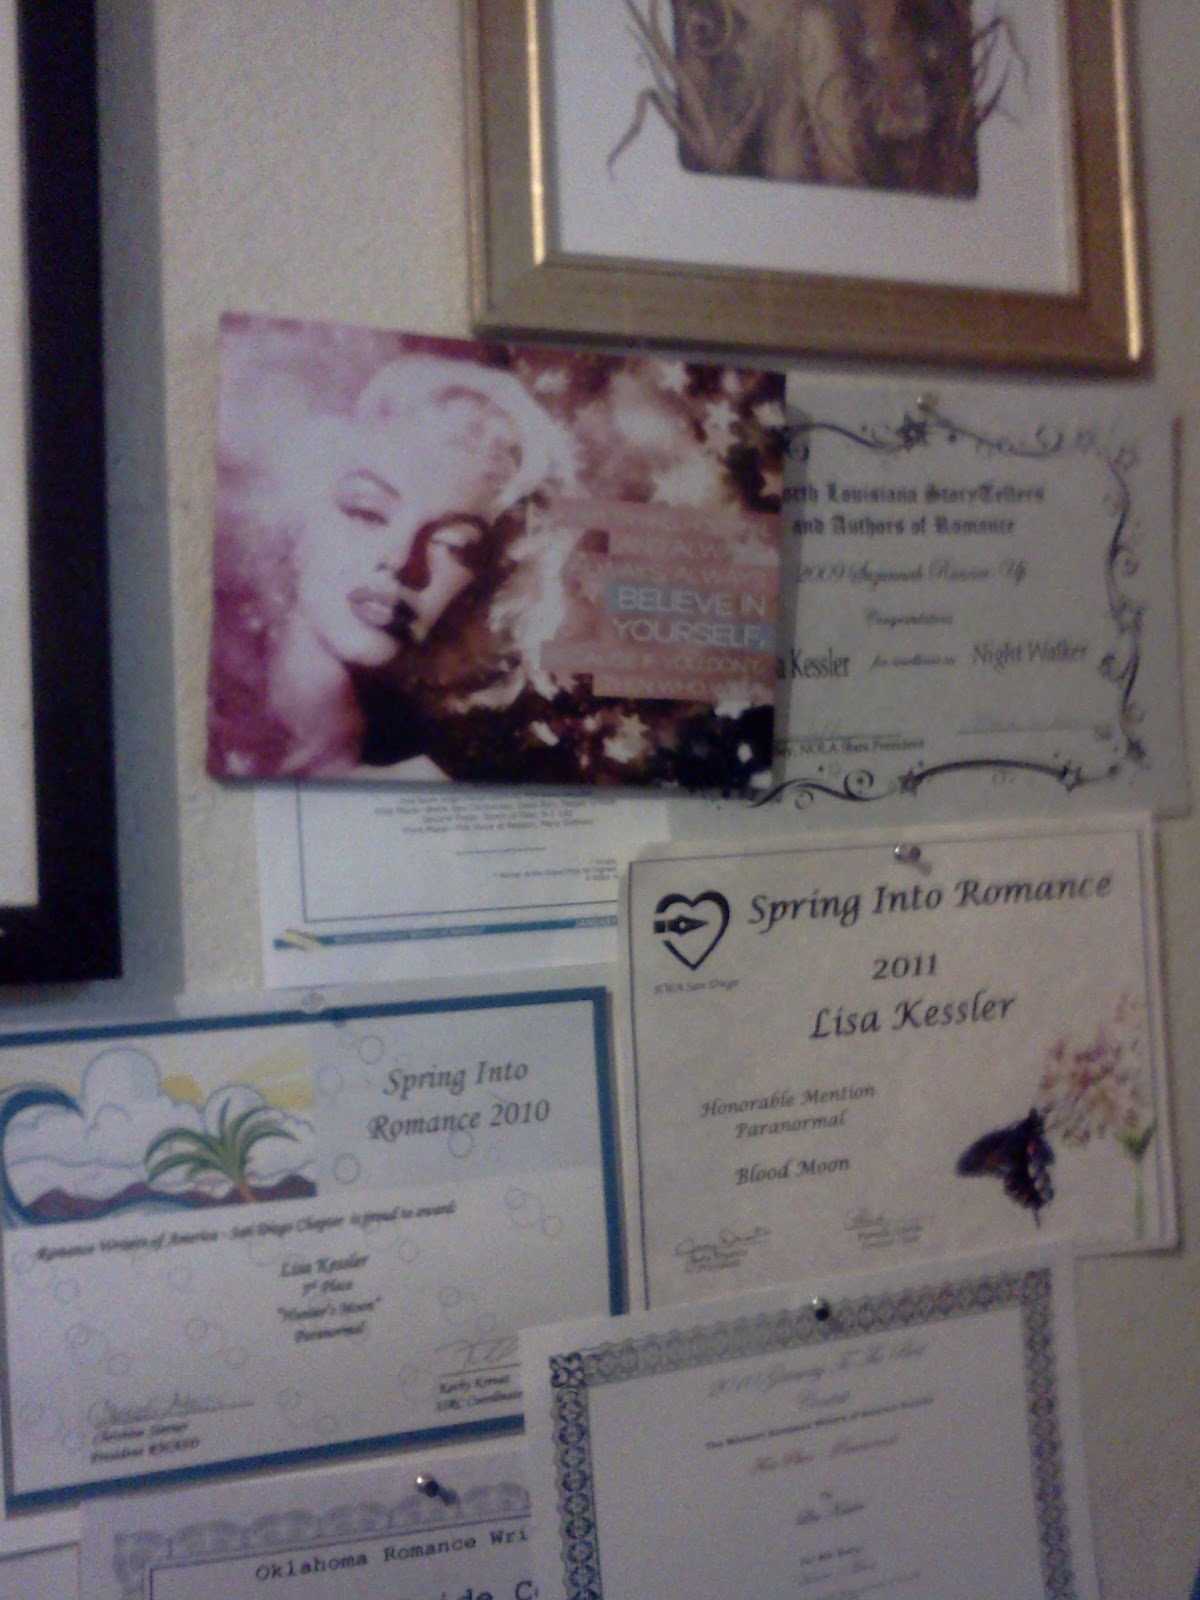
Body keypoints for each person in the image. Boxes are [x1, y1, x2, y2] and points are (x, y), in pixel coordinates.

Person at [207, 353, 574, 779]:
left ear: (480, 591)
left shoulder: (417, 785)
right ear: (294, 519)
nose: (401, 561)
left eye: (453, 545)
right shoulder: (198, 708)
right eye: (367, 512)